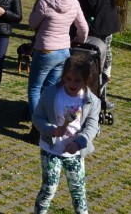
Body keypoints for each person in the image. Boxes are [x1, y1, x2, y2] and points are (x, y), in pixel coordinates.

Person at [32, 54, 101, 214]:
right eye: (68, 79)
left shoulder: (91, 101)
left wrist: (79, 143)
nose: (72, 83)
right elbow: (37, 117)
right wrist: (52, 129)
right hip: (51, 150)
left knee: (78, 191)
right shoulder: (50, 93)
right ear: (63, 77)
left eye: (77, 80)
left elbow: (92, 126)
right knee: (49, 188)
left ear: (87, 80)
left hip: (75, 153)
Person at [28, 0, 88, 119]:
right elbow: (84, 28)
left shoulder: (44, 2)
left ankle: (38, 124)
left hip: (45, 50)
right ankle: (49, 120)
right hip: (63, 51)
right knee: (50, 90)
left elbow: (32, 24)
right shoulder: (74, 2)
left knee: (34, 88)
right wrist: (79, 40)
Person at [80, 0, 120, 81]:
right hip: (111, 19)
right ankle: (107, 71)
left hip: (100, 20)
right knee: (107, 47)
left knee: (97, 46)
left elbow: (91, 3)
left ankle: (97, 70)